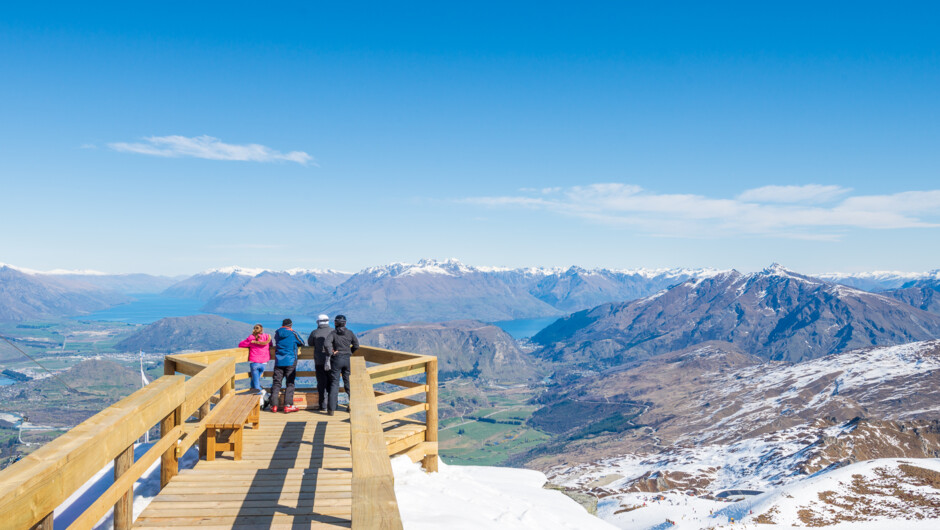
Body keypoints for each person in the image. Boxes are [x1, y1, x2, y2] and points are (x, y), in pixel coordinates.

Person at [270, 318, 305, 413]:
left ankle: (274, 405)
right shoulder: (293, 333)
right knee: (290, 382)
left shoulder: (277, 333)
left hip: (278, 361)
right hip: (290, 361)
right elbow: (302, 343)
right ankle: (288, 405)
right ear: (291, 325)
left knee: (276, 383)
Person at [328, 314, 359, 415]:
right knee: (348, 382)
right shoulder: (350, 333)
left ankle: (331, 409)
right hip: (347, 359)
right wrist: (350, 351)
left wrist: (332, 352)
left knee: (334, 383)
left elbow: (326, 344)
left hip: (336, 359)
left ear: (335, 323)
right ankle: (353, 406)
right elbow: (356, 345)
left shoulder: (333, 334)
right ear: (345, 323)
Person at [308, 314, 334, 413]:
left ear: (318, 322)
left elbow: (310, 343)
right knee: (332, 383)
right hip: (332, 361)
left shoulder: (315, 332)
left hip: (319, 361)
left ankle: (323, 405)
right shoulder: (333, 331)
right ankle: (332, 404)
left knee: (321, 383)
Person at [238, 324, 271, 395]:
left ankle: (260, 396)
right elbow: (270, 344)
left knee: (256, 384)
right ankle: (257, 392)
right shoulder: (267, 337)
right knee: (255, 380)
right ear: (262, 330)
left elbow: (241, 344)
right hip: (264, 362)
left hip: (254, 362)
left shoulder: (251, 337)